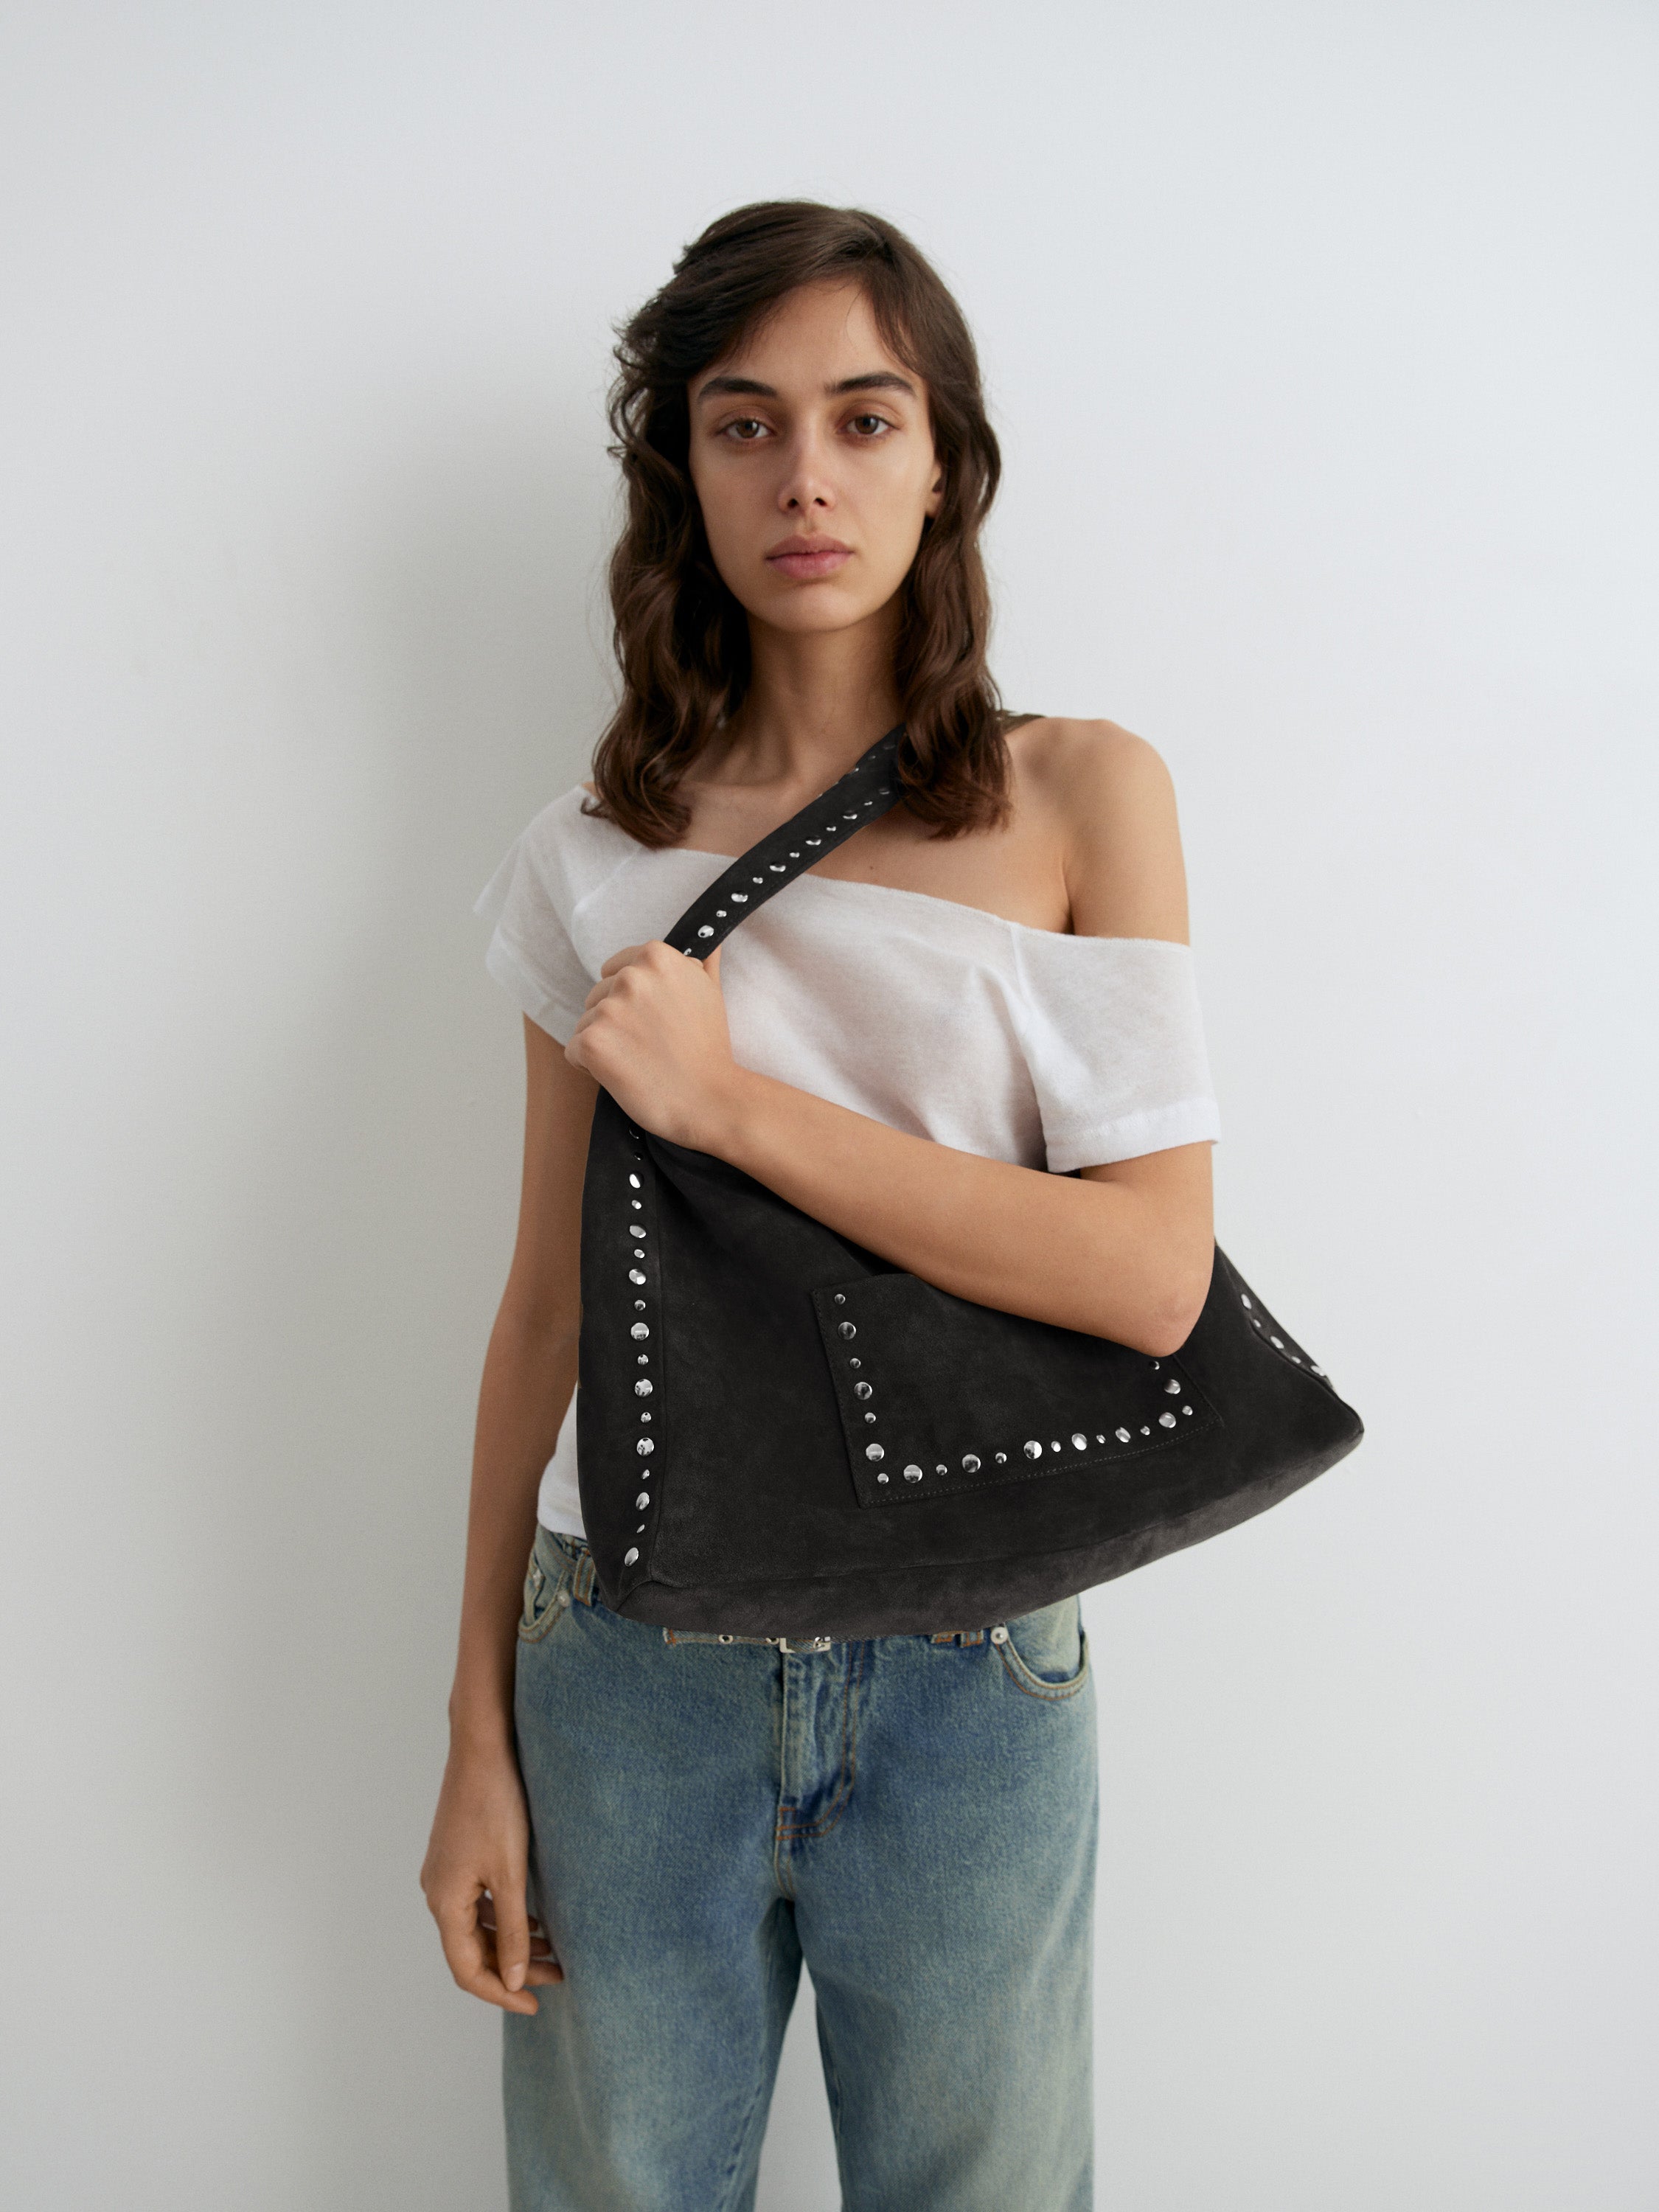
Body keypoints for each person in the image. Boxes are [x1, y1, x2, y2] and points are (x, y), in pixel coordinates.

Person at [421, 200, 1219, 2212]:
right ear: (679, 470)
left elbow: (1148, 1276)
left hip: (969, 1660)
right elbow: (544, 1314)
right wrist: (476, 1736)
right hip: (624, 1658)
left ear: (943, 462)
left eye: (865, 419)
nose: (805, 476)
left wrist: (727, 1107)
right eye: (743, 422)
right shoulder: (585, 856)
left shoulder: (1077, 794)